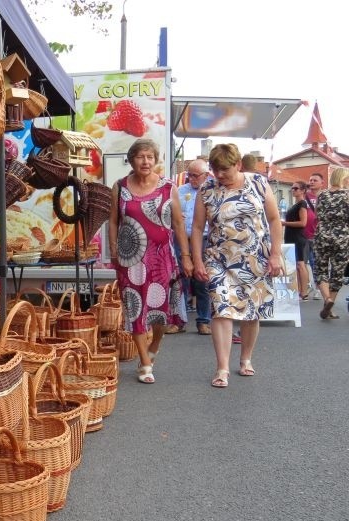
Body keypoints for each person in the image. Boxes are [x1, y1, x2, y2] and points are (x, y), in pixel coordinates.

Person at [191, 143, 283, 388]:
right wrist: (197, 260)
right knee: (221, 309)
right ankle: (222, 368)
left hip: (255, 257)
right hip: (219, 259)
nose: (219, 175)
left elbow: (274, 220)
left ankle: (246, 358)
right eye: (215, 169)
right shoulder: (206, 189)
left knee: (251, 311)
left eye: (225, 170)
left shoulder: (258, 183)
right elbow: (198, 228)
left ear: (238, 165)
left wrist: (275, 254)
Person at [108, 138, 192, 384]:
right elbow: (113, 221)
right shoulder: (120, 186)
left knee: (160, 311)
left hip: (162, 257)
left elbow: (177, 223)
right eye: (140, 157)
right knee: (135, 308)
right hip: (129, 258)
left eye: (150, 157)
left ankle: (154, 344)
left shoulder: (168, 187)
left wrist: (185, 256)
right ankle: (145, 362)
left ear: (156, 160)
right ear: (132, 160)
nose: (145, 161)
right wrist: (114, 251)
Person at [177, 158, 212, 335]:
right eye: (189, 175)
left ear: (206, 175)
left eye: (195, 175)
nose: (191, 178)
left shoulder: (212, 191)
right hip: (182, 240)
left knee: (202, 282)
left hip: (204, 240)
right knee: (180, 281)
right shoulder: (180, 191)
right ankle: (179, 321)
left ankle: (204, 321)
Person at [313, 167, 349, 319]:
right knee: (337, 272)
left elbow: (317, 214)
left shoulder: (322, 195)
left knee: (321, 269)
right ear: (344, 179)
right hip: (342, 237)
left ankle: (327, 300)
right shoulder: (347, 195)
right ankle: (329, 302)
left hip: (322, 236)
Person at [280, 181, 310, 299]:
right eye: (292, 188)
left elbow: (303, 223)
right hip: (291, 236)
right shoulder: (295, 204)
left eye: (296, 188)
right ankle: (299, 290)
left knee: (300, 264)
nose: (293, 190)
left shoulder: (302, 204)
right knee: (296, 265)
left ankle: (304, 291)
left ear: (302, 190)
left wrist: (284, 223)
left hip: (298, 237)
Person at [305, 172, 325, 299]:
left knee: (316, 263)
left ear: (322, 183)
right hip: (304, 234)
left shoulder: (325, 196)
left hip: (318, 235)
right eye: (311, 180)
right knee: (302, 263)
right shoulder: (305, 196)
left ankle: (318, 289)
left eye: (315, 180)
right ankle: (306, 286)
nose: (312, 182)